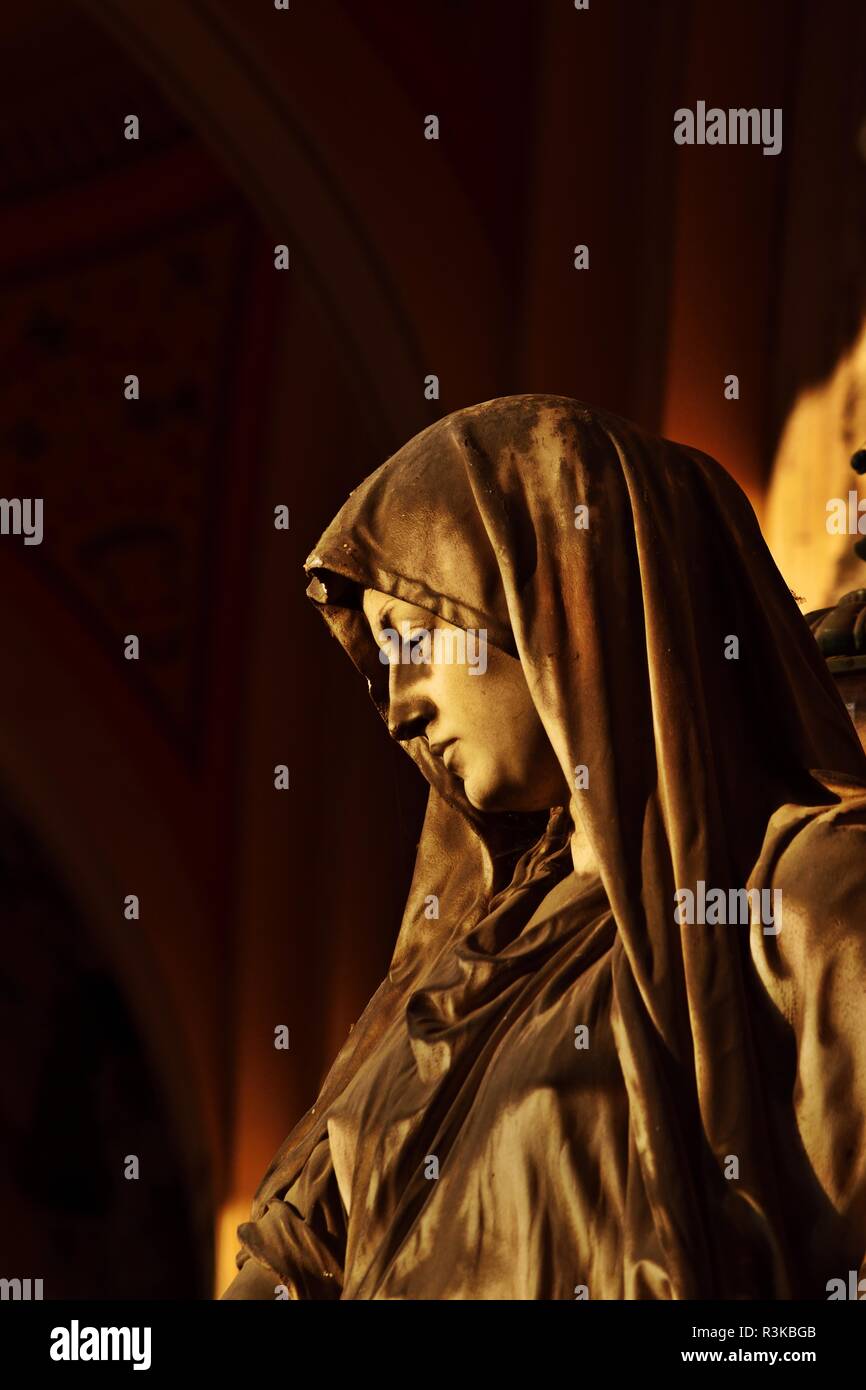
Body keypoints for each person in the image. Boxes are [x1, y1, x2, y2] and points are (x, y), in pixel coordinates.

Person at [222, 393, 866, 1300]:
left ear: (558, 591)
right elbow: (291, 1259)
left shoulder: (811, 897)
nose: (398, 706)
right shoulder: (463, 970)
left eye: (414, 635)